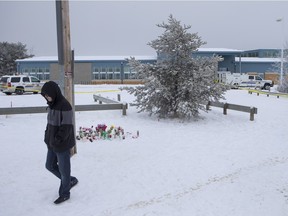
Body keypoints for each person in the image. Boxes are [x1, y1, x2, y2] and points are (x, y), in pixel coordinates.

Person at [41, 81, 78, 204]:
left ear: (54, 92)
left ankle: (65, 193)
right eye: (45, 96)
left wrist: (57, 140)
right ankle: (69, 181)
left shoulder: (65, 106)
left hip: (62, 144)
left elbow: (66, 127)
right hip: (51, 143)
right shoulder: (51, 105)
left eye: (48, 95)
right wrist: (47, 137)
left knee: (64, 171)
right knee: (49, 166)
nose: (47, 97)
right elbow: (49, 124)